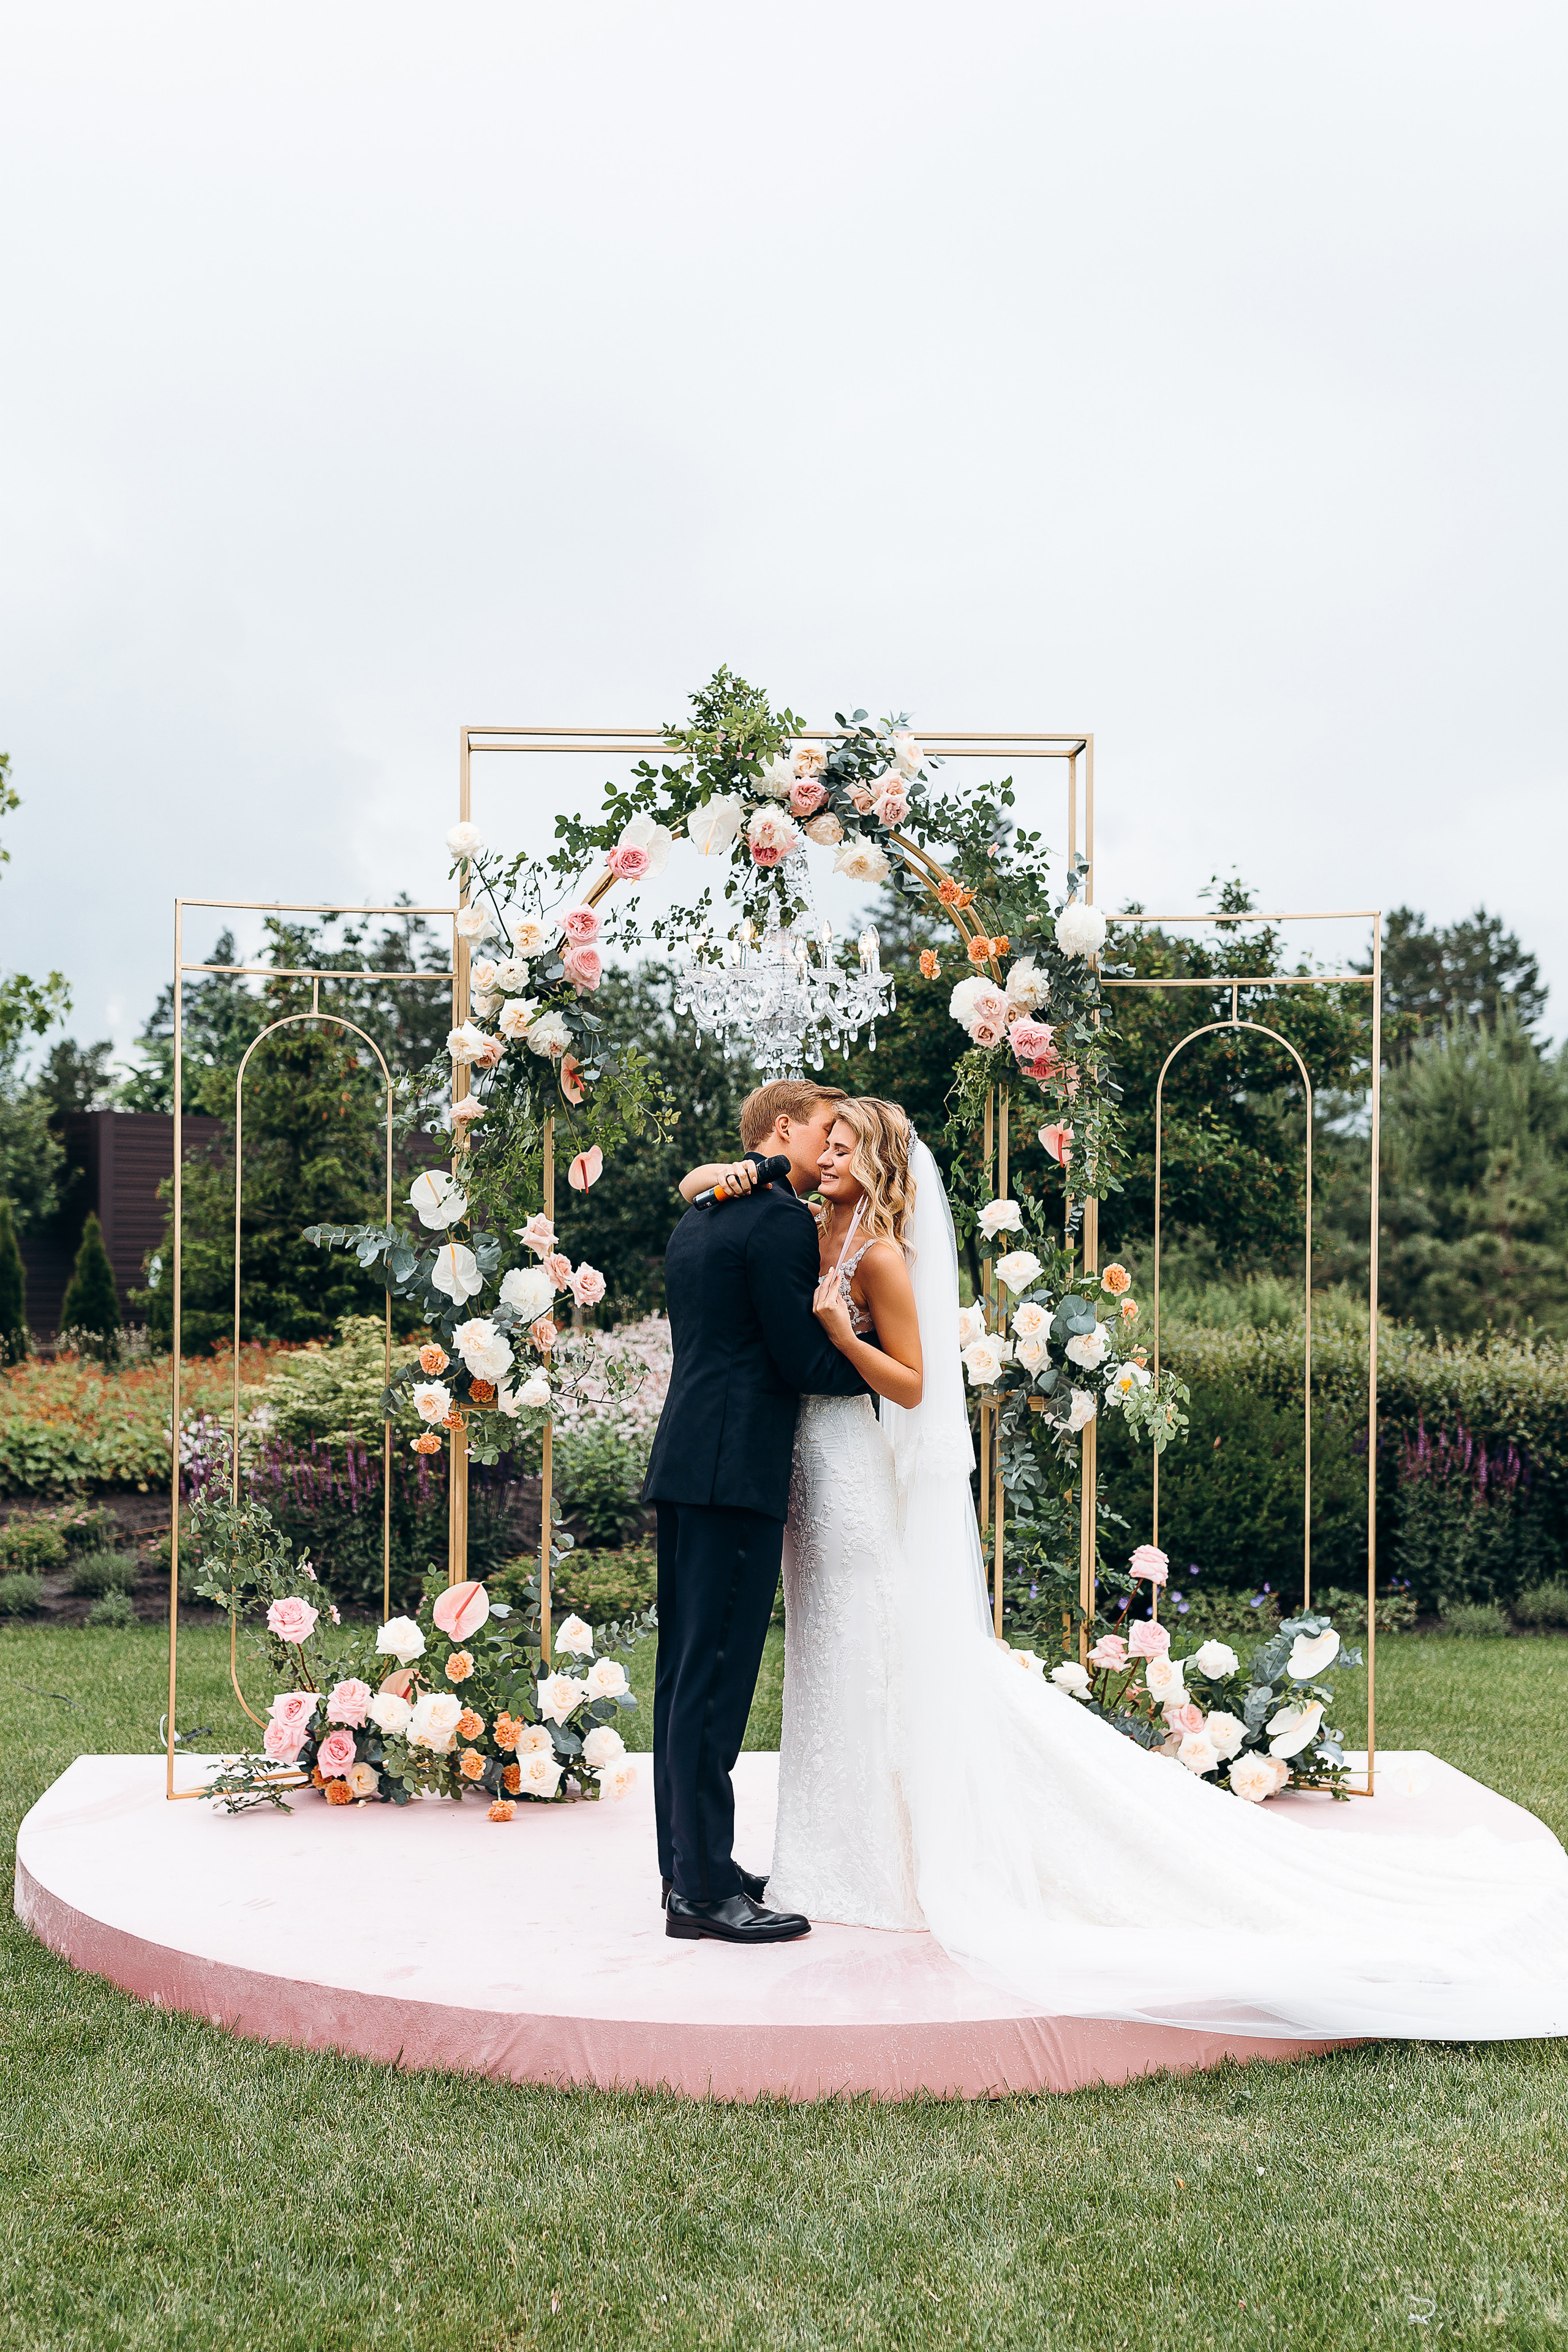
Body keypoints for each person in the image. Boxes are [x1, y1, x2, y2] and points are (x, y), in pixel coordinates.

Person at [740, 1098, 1568, 2045]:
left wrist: (843, 1337)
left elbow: (919, 1383)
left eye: (846, 1147)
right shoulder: (818, 1225)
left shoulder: (883, 1254)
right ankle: (828, 1855)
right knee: (832, 1659)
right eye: (826, 1145)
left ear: (882, 1161)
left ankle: (887, 1865)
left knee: (873, 1652)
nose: (828, 1157)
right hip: (819, 1465)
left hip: (855, 1469)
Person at [643, 1078, 869, 1947]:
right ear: (783, 1129)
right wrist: (885, 1362)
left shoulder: (701, 1215)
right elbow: (801, 1359)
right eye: (825, 1130)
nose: (832, 1146)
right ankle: (704, 1894)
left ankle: (689, 1869)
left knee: (683, 1678)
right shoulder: (777, 1222)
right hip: (733, 1472)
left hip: (689, 1460)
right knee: (713, 1685)